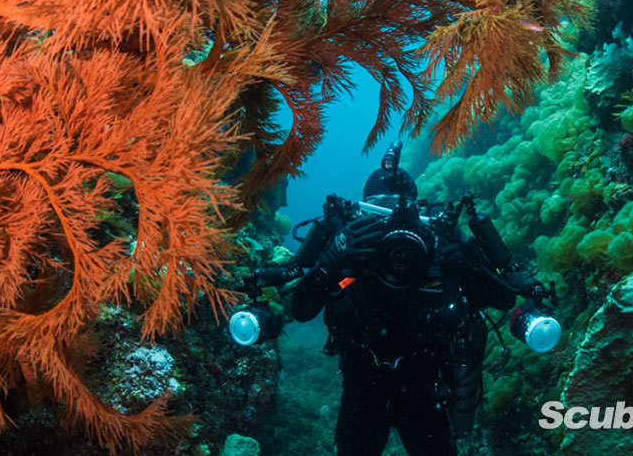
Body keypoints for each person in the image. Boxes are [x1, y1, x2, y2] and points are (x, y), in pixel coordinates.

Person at [233, 141, 559, 456]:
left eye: (396, 208)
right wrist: (328, 263)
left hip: (424, 383)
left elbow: (501, 298)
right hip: (362, 384)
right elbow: (302, 310)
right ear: (362, 211)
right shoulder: (350, 244)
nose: (390, 222)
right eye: (378, 211)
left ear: (418, 211)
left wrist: (467, 260)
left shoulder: (437, 243)